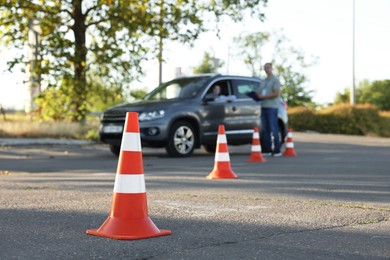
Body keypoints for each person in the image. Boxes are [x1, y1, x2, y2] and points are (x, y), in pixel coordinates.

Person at [256, 63, 282, 157]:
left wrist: (264, 96)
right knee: (265, 129)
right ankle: (267, 149)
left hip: (272, 107)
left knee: (273, 128)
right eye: (265, 68)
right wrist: (258, 96)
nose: (266, 69)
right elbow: (259, 92)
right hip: (264, 106)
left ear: (271, 68)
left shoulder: (275, 80)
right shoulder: (264, 81)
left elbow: (276, 93)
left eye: (268, 68)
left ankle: (277, 150)